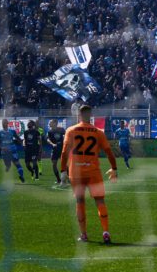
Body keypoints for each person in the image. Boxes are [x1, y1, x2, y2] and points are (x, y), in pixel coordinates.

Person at [60, 105, 118, 244]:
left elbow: (64, 152)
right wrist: (114, 168)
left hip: (76, 171)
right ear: (90, 114)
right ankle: (106, 232)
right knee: (99, 201)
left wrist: (63, 170)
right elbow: (109, 152)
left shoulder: (71, 130)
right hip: (93, 171)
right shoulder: (97, 131)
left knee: (80, 201)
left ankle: (84, 235)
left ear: (78, 114)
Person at [46, 119, 66, 185]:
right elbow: (48, 139)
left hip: (62, 149)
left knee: (66, 164)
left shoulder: (61, 129)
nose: (49, 123)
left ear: (55, 123)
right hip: (55, 150)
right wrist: (52, 144)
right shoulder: (49, 131)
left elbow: (66, 136)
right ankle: (58, 179)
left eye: (50, 122)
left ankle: (68, 178)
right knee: (54, 164)